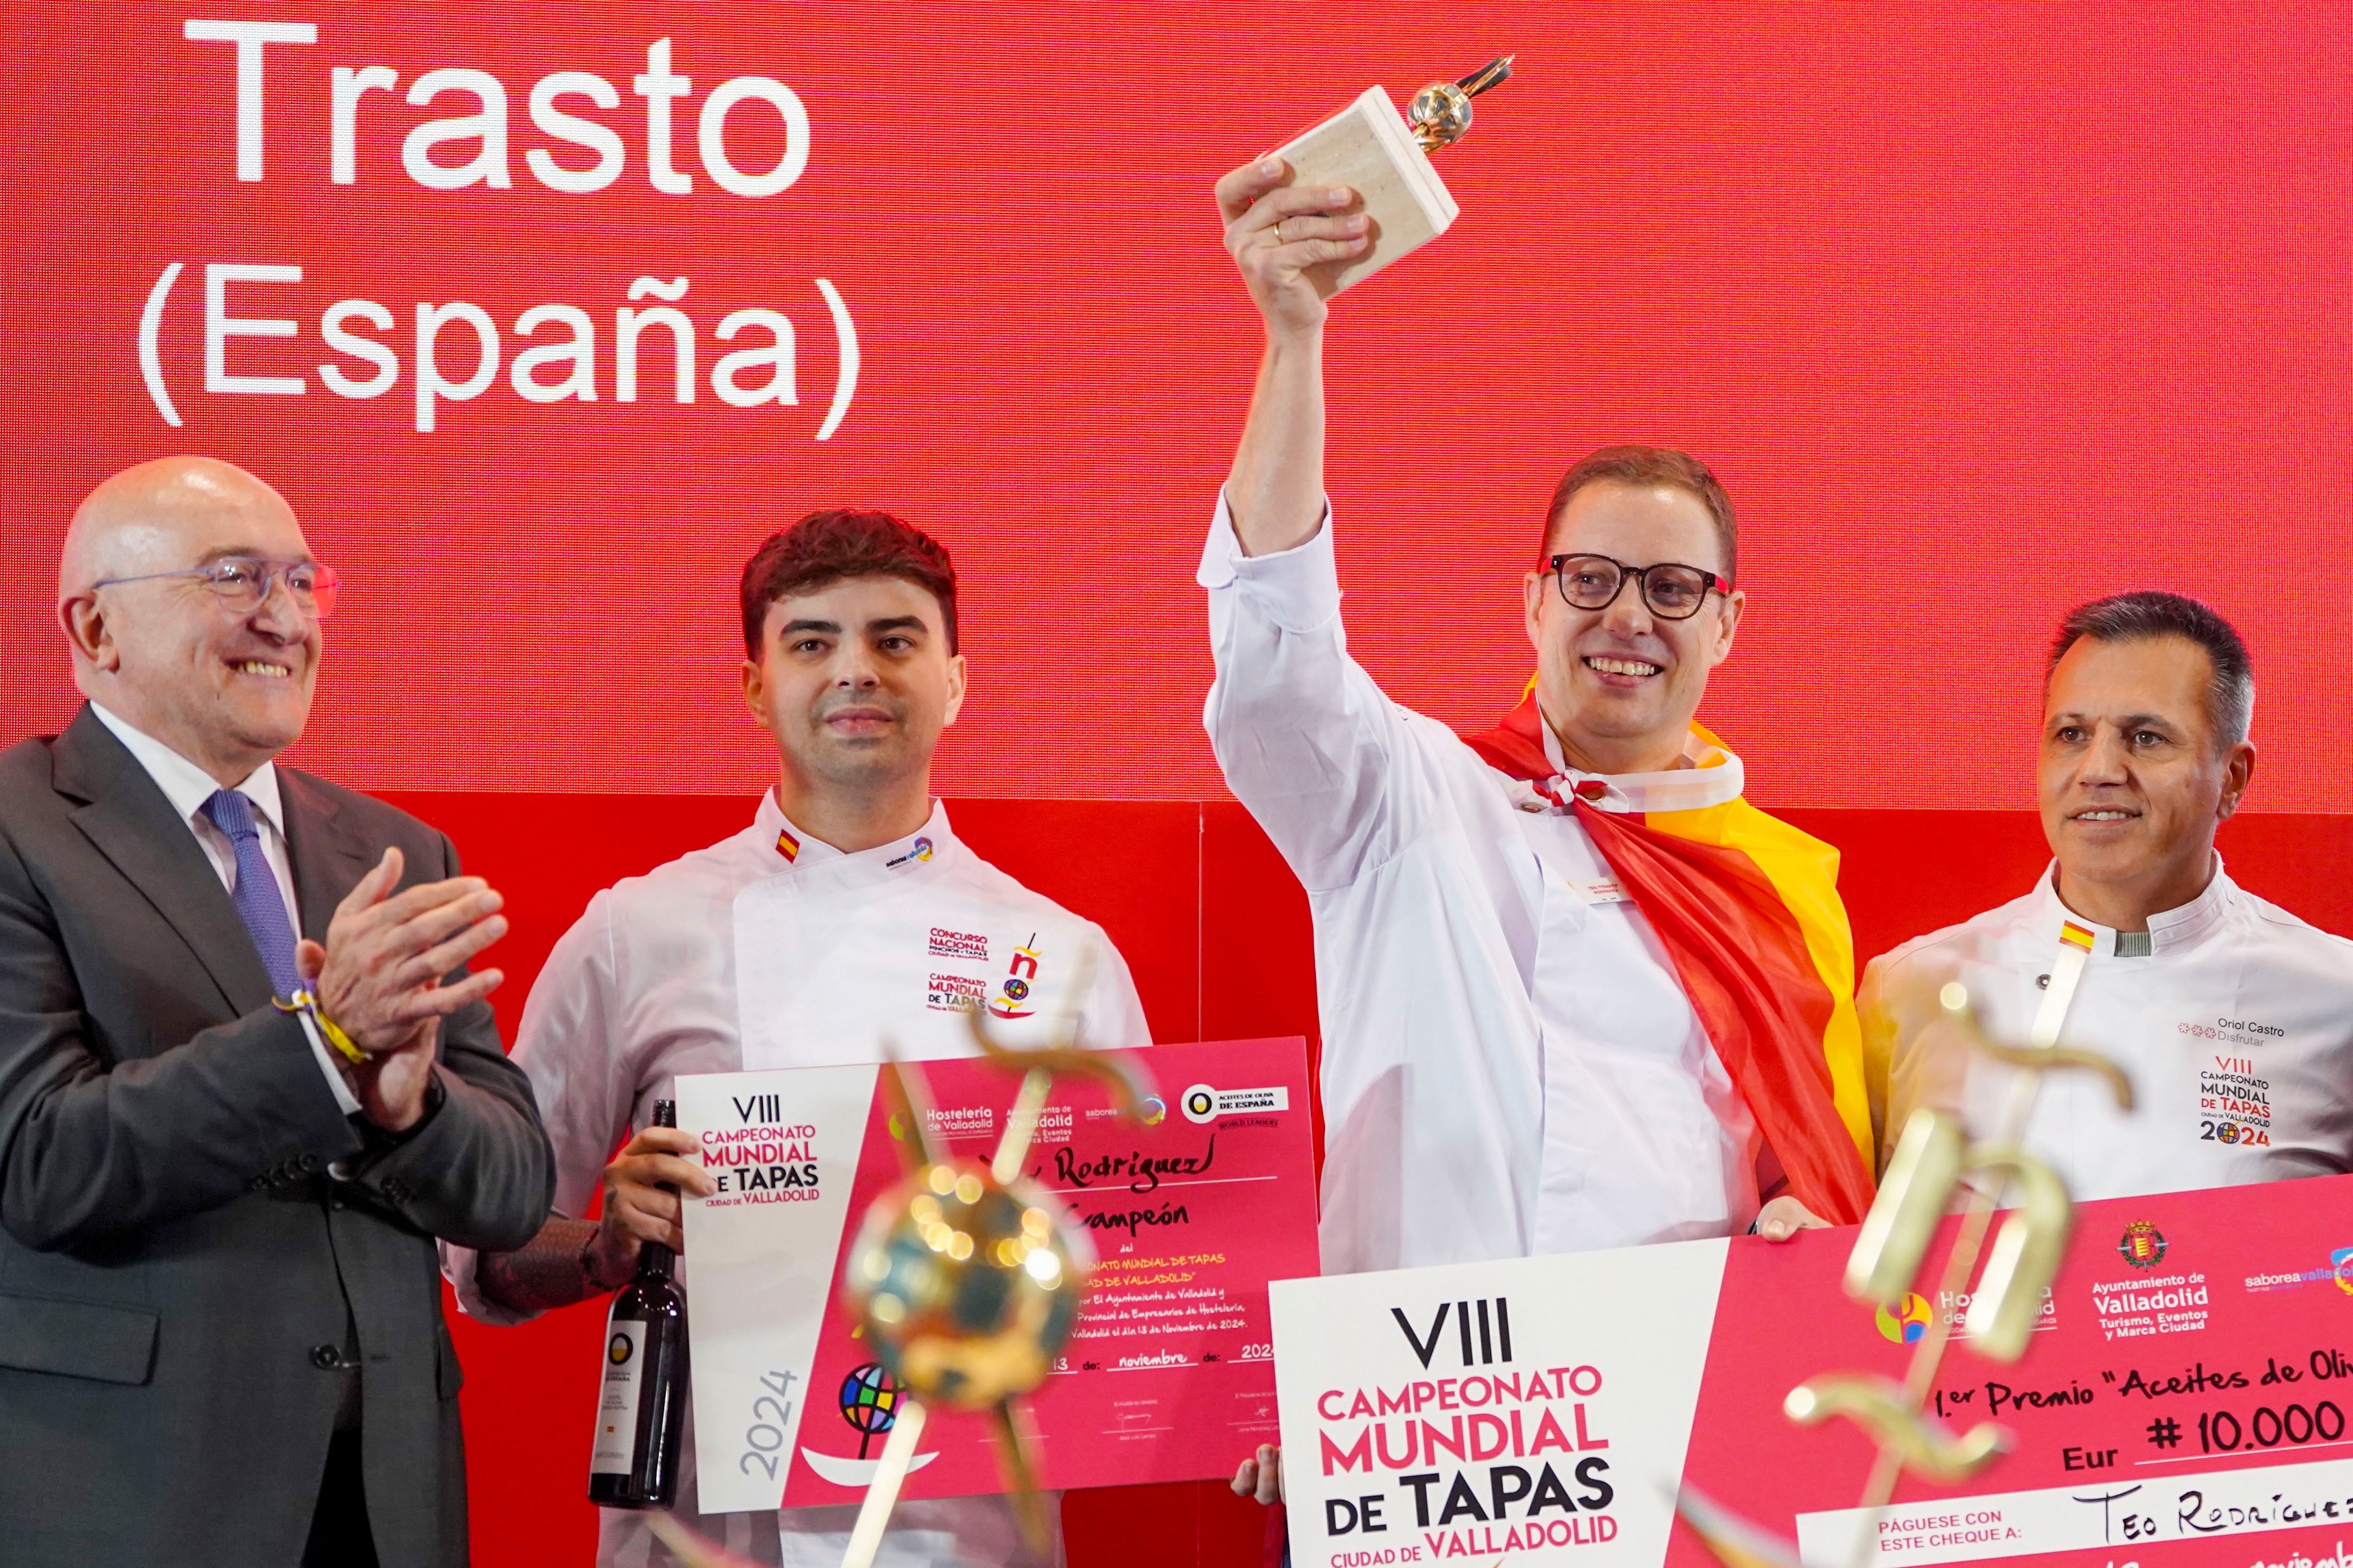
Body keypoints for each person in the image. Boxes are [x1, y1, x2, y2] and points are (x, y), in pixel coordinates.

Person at [1203, 164, 1876, 1505]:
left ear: (1727, 625)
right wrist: (1293, 339)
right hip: (1413, 1448)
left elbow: (1803, 1164)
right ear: (1532, 601)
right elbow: (1276, 656)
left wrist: (1801, 1228)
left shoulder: (1783, 883)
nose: (1627, 615)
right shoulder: (1400, 796)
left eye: (1673, 587)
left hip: (1661, 1449)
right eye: (1590, 578)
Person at [448, 508, 1150, 1568]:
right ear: (754, 685)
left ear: (954, 680)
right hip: (701, 1517)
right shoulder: (637, 929)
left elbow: (1147, 1254)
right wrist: (604, 1241)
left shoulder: (1062, 953)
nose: (855, 670)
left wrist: (1229, 1385)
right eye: (812, 642)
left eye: (895, 639)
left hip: (974, 1525)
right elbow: (483, 1244)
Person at [0, 456, 554, 1567]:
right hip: (133, 1494)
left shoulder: (391, 849)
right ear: (98, 628)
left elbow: (511, 1185)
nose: (285, 616)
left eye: (304, 580)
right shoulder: (19, 827)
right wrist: (322, 1045)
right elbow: (40, 1157)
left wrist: (411, 1111)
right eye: (235, 575)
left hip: (386, 1495)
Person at [1864, 591, 2352, 1199]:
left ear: (2230, 779)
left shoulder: (2336, 998)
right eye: (2070, 733)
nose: (2098, 768)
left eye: (2145, 738)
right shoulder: (1908, 989)